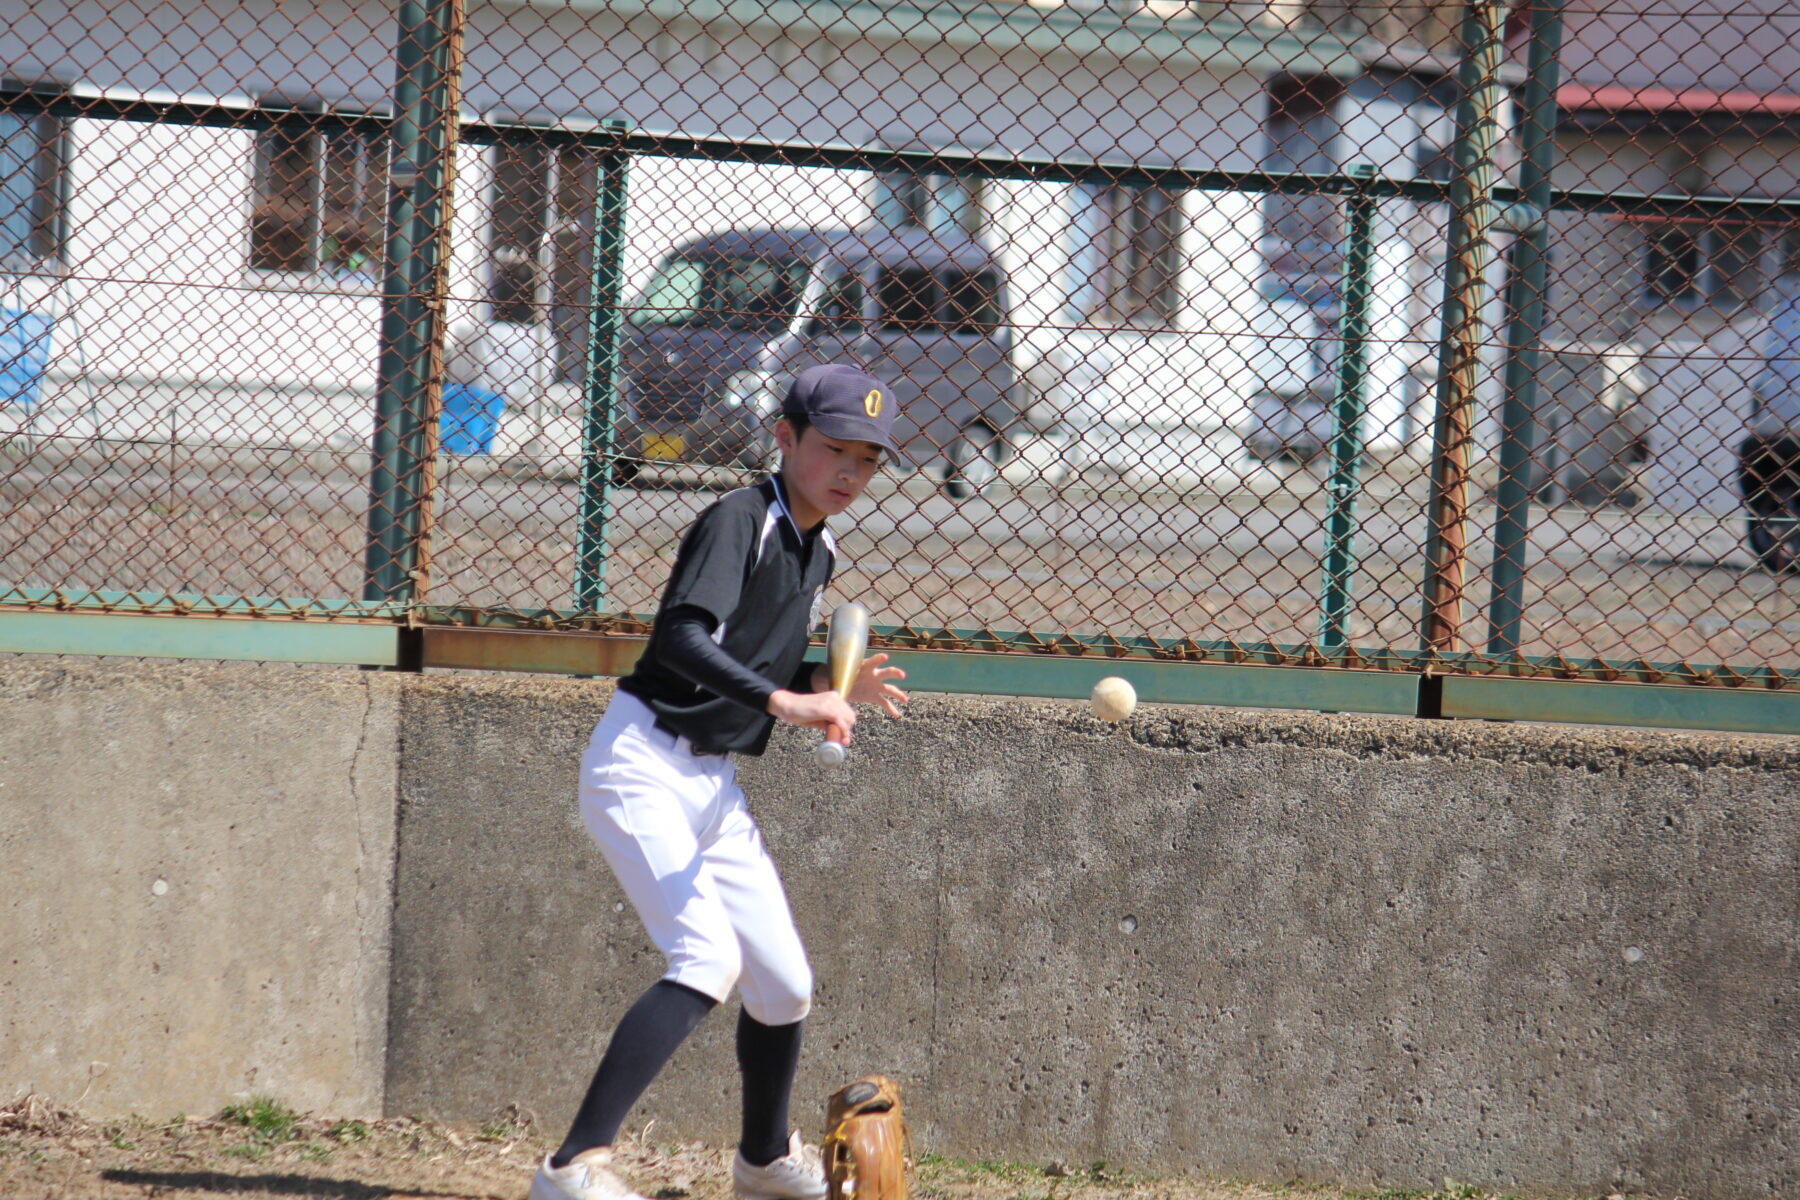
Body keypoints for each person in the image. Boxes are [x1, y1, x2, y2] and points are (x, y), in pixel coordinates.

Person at [529, 364, 911, 1200]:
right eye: (833, 448)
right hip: (642, 766)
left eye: (867, 459)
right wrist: (784, 700)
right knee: (705, 957)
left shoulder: (820, 545)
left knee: (784, 982)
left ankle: (764, 1161)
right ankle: (570, 1168)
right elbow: (681, 639)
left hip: (711, 784)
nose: (850, 471)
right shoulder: (740, 520)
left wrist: (823, 682)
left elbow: (755, 653)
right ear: (785, 438)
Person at [1739, 277, 1800, 573]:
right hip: (1775, 430)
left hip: (1770, 429)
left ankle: (1771, 540)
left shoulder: (1787, 308)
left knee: (1761, 481)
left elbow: (1765, 382)